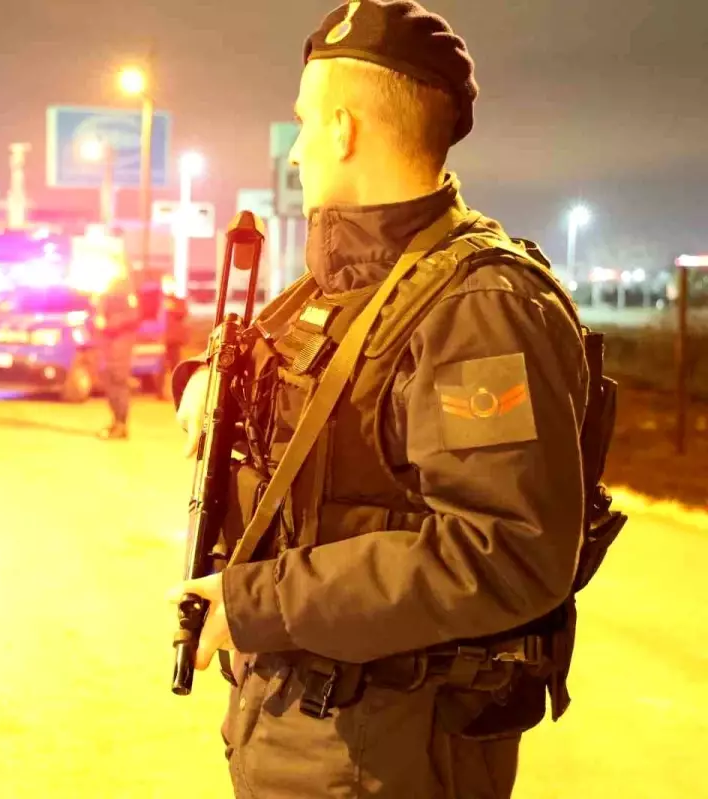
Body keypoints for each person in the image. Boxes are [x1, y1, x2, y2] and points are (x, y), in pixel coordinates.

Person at [170, 2, 591, 796]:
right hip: (302, 725)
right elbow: (290, 386)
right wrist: (203, 377)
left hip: (384, 752)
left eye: (302, 122)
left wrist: (256, 602)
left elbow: (501, 548)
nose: (295, 149)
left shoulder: (479, 307)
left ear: (342, 128)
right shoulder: (348, 281)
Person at [94, 269, 140, 440]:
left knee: (119, 381)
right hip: (110, 343)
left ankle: (121, 424)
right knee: (110, 382)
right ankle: (115, 422)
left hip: (121, 343)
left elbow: (133, 316)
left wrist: (110, 323)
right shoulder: (109, 290)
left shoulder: (125, 290)